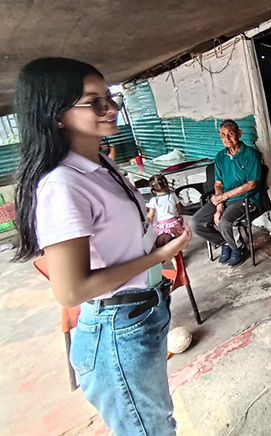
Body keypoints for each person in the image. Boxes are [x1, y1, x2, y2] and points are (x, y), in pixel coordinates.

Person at [13, 57, 191, 436]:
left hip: (145, 312)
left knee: (157, 421)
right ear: (57, 114)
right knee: (150, 430)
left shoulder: (103, 167)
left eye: (110, 98)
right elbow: (71, 289)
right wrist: (155, 256)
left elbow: (115, 240)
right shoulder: (62, 185)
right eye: (94, 102)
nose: (111, 108)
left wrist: (151, 242)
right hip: (117, 329)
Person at [191, 119, 261, 267]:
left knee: (225, 222)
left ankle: (239, 248)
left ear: (239, 134)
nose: (227, 138)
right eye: (223, 135)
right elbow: (218, 184)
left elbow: (251, 184)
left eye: (230, 134)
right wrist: (219, 206)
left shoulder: (250, 154)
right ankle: (226, 242)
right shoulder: (220, 156)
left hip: (245, 199)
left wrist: (223, 197)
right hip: (223, 198)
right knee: (196, 223)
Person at [147, 174, 184, 247]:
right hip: (175, 222)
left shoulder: (153, 200)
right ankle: (179, 256)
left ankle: (170, 256)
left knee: (164, 244)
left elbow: (151, 215)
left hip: (162, 225)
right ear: (166, 184)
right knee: (177, 242)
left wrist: (149, 225)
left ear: (153, 189)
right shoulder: (173, 195)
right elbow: (179, 209)